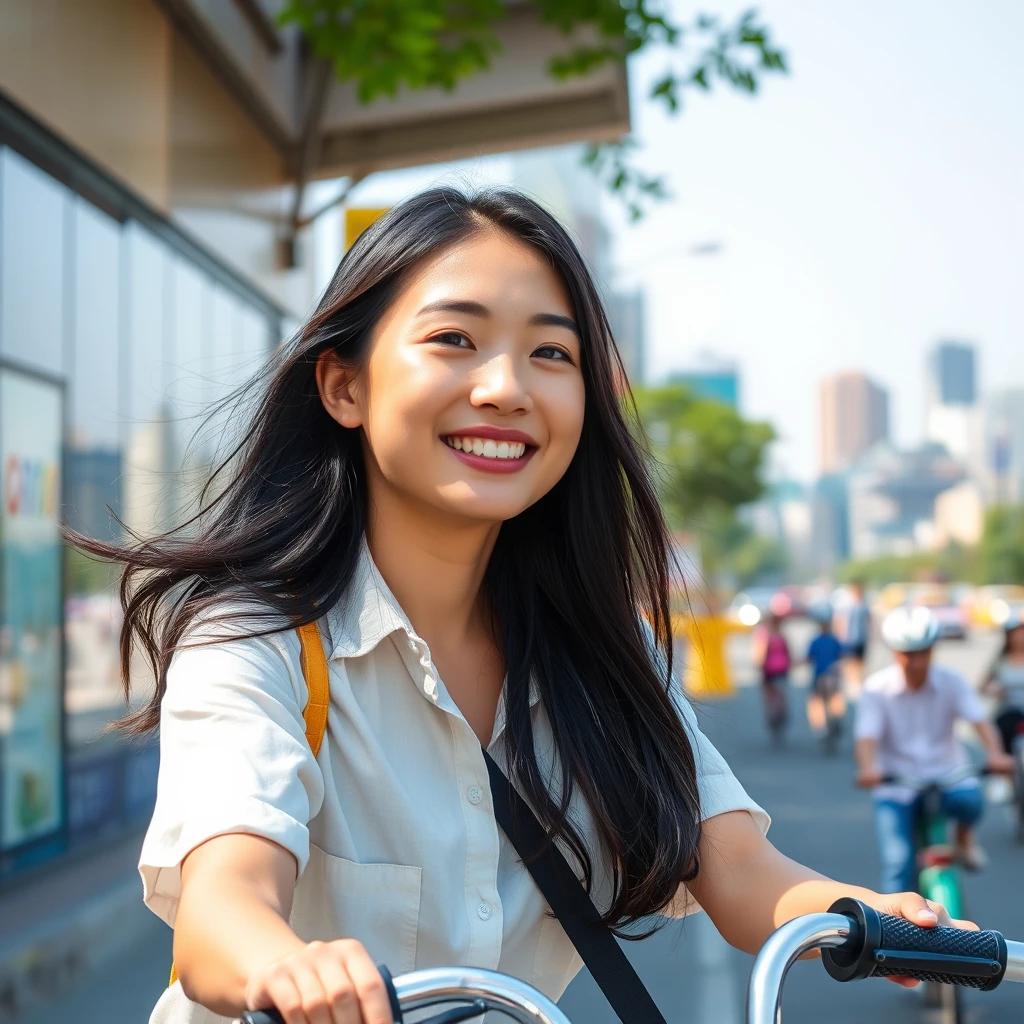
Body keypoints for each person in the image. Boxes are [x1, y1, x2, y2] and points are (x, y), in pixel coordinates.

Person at [73, 189, 971, 1024]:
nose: (507, 387)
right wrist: (280, 962)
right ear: (344, 386)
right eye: (454, 340)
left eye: (551, 352)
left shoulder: (606, 654)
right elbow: (224, 901)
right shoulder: (256, 639)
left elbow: (738, 868)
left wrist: (862, 911)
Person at [854, 606, 1014, 893]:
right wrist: (868, 769)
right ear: (894, 652)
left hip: (948, 773)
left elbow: (980, 722)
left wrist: (996, 753)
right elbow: (866, 737)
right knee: (898, 864)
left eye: (923, 652)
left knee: (972, 802)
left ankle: (963, 839)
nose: (916, 661)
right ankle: (893, 933)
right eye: (908, 653)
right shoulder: (877, 689)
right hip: (896, 783)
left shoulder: (952, 682)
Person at [982, 616, 1024, 755]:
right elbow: (984, 685)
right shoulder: (1002, 660)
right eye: (1016, 634)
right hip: (1007, 713)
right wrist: (994, 689)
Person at [804, 613, 845, 743]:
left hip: (819, 674)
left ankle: (819, 726)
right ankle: (837, 718)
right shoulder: (834, 640)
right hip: (833, 675)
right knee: (836, 696)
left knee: (815, 700)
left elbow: (809, 658)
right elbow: (842, 655)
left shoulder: (815, 641)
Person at [753, 612, 791, 741]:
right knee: (780, 693)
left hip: (768, 670)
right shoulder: (782, 636)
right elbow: (788, 652)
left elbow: (761, 652)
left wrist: (758, 664)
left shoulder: (764, 635)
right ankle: (781, 712)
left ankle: (772, 716)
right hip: (782, 669)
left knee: (769, 695)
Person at [839, 580, 871, 699]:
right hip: (851, 638)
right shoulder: (849, 605)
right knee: (851, 661)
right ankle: (853, 683)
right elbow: (843, 621)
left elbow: (869, 620)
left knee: (860, 662)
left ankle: (859, 682)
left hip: (862, 637)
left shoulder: (864, 605)